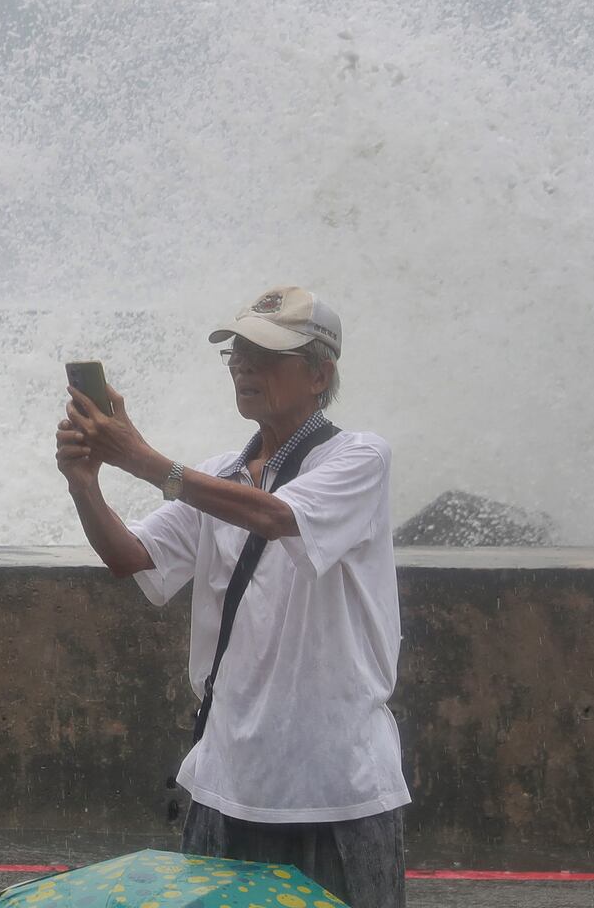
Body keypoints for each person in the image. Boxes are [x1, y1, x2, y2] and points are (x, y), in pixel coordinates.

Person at [55, 285, 409, 908]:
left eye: (266, 355)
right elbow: (133, 558)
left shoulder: (359, 458)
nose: (244, 366)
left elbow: (277, 517)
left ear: (321, 373)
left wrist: (143, 460)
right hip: (225, 781)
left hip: (335, 786)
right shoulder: (218, 475)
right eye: (237, 353)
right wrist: (86, 485)